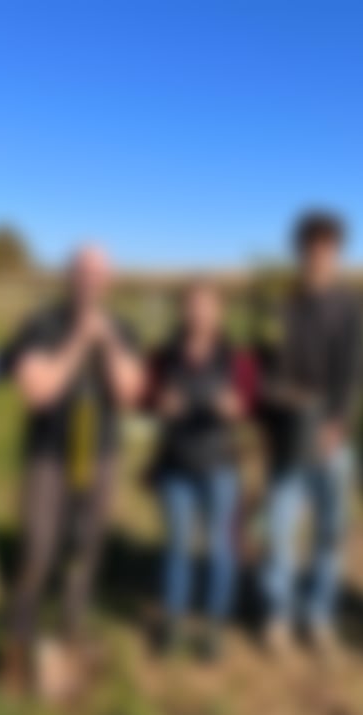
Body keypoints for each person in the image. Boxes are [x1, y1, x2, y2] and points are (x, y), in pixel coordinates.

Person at [0, 244, 144, 700]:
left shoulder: (123, 329)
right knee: (37, 550)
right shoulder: (40, 325)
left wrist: (109, 343)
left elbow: (129, 395)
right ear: (68, 275)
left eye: (99, 273)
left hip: (100, 456)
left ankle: (68, 641)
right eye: (82, 271)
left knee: (85, 551)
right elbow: (37, 392)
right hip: (49, 456)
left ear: (109, 281)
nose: (90, 281)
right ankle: (17, 647)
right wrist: (79, 340)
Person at [260, 210, 363, 656]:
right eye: (311, 247)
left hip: (332, 436)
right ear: (299, 252)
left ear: (338, 254)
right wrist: (275, 401)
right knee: (280, 530)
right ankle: (278, 615)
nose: (319, 256)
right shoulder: (281, 306)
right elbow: (264, 366)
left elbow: (356, 371)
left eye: (327, 248)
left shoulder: (350, 308)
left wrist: (337, 423)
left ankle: (320, 617)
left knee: (330, 533)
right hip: (288, 429)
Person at [145, 278, 255, 661]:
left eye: (207, 306)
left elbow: (249, 404)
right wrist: (160, 404)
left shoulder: (236, 359)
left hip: (220, 467)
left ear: (219, 312)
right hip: (175, 466)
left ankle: (213, 626)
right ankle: (173, 620)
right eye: (192, 305)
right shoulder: (164, 356)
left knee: (221, 548)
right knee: (177, 545)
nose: (199, 313)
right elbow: (146, 399)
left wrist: (235, 409)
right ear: (182, 310)